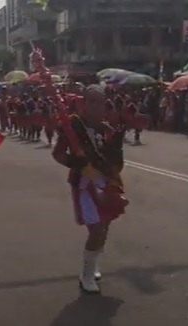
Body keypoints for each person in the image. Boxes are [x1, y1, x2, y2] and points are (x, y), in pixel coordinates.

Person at [52, 85, 128, 294]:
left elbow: (116, 165)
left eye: (100, 102)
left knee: (105, 229)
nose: (96, 106)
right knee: (97, 230)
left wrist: (116, 150)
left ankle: (93, 267)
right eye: (91, 101)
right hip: (85, 186)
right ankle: (85, 277)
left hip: (106, 185)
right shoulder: (73, 127)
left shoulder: (108, 130)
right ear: (83, 103)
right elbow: (58, 154)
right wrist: (77, 164)